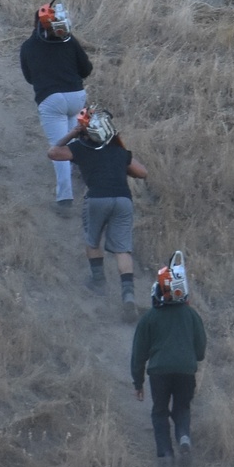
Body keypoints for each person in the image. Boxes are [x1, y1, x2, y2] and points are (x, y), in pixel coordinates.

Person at [48, 105, 147, 321]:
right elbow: (142, 172)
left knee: (93, 241)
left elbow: (53, 153)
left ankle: (98, 280)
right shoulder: (119, 151)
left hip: (97, 199)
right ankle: (128, 296)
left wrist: (73, 133)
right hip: (123, 200)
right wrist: (122, 165)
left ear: (86, 131)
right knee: (122, 250)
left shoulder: (81, 148)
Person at [131, 252, 207, 467]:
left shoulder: (149, 319)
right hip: (186, 371)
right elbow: (200, 349)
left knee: (160, 411)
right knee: (182, 407)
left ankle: (166, 455)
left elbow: (138, 354)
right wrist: (192, 358)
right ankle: (183, 436)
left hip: (159, 373)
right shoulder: (192, 316)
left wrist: (138, 383)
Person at [19, 0, 93, 210]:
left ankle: (65, 198)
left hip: (51, 100)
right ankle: (92, 188)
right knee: (75, 144)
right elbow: (86, 69)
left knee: (59, 147)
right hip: (76, 95)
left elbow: (29, 78)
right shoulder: (70, 41)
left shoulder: (27, 47)